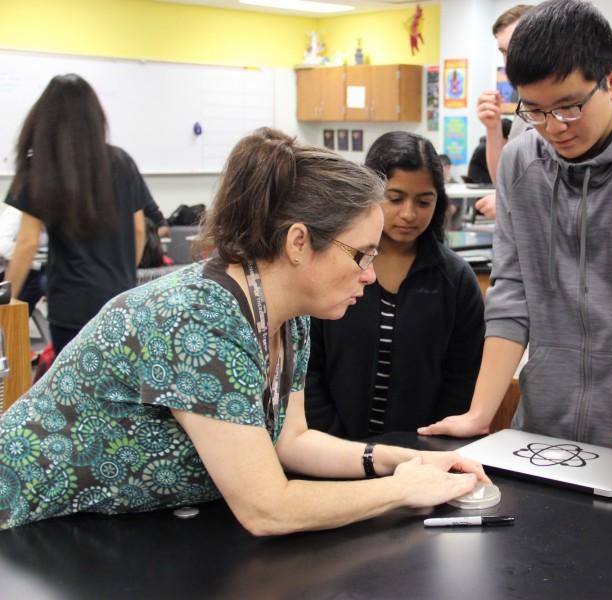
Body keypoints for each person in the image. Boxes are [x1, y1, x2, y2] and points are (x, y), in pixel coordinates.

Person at [0, 127, 487, 534]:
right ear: (299, 242)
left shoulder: (289, 313)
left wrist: (397, 461)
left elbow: (290, 440)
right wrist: (401, 491)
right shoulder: (196, 317)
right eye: (361, 254)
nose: (369, 274)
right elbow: (266, 508)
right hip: (24, 525)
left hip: (93, 528)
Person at [419, 0, 612, 477]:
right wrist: (480, 414)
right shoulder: (520, 161)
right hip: (542, 435)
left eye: (569, 107)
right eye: (534, 110)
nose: (553, 127)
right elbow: (511, 293)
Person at [305, 132, 485, 439]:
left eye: (424, 201)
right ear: (369, 194)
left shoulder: (456, 280)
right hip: (330, 452)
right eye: (395, 198)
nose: (409, 214)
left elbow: (463, 380)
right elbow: (307, 371)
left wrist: (428, 447)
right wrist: (338, 445)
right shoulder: (332, 267)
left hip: (423, 458)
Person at [3, 74, 150, 353]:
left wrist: (6, 299)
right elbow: (140, 230)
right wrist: (121, 275)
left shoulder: (42, 167)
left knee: (73, 392)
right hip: (121, 299)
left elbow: (27, 243)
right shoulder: (121, 161)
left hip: (71, 306)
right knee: (116, 390)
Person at [473, 3, 533, 219]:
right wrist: (493, 127)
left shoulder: (567, 107)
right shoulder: (524, 104)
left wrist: (512, 206)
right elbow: (504, 180)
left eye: (517, 49)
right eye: (504, 52)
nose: (510, 62)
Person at [0, 206, 47, 315]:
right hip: (6, 268)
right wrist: (33, 261)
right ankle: (14, 316)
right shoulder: (16, 214)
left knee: (43, 279)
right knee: (39, 280)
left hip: (33, 268)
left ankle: (20, 317)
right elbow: (2, 246)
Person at [467, 119, 512, 186]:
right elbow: (499, 172)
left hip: (482, 184)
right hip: (481, 184)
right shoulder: (485, 149)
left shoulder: (485, 146)